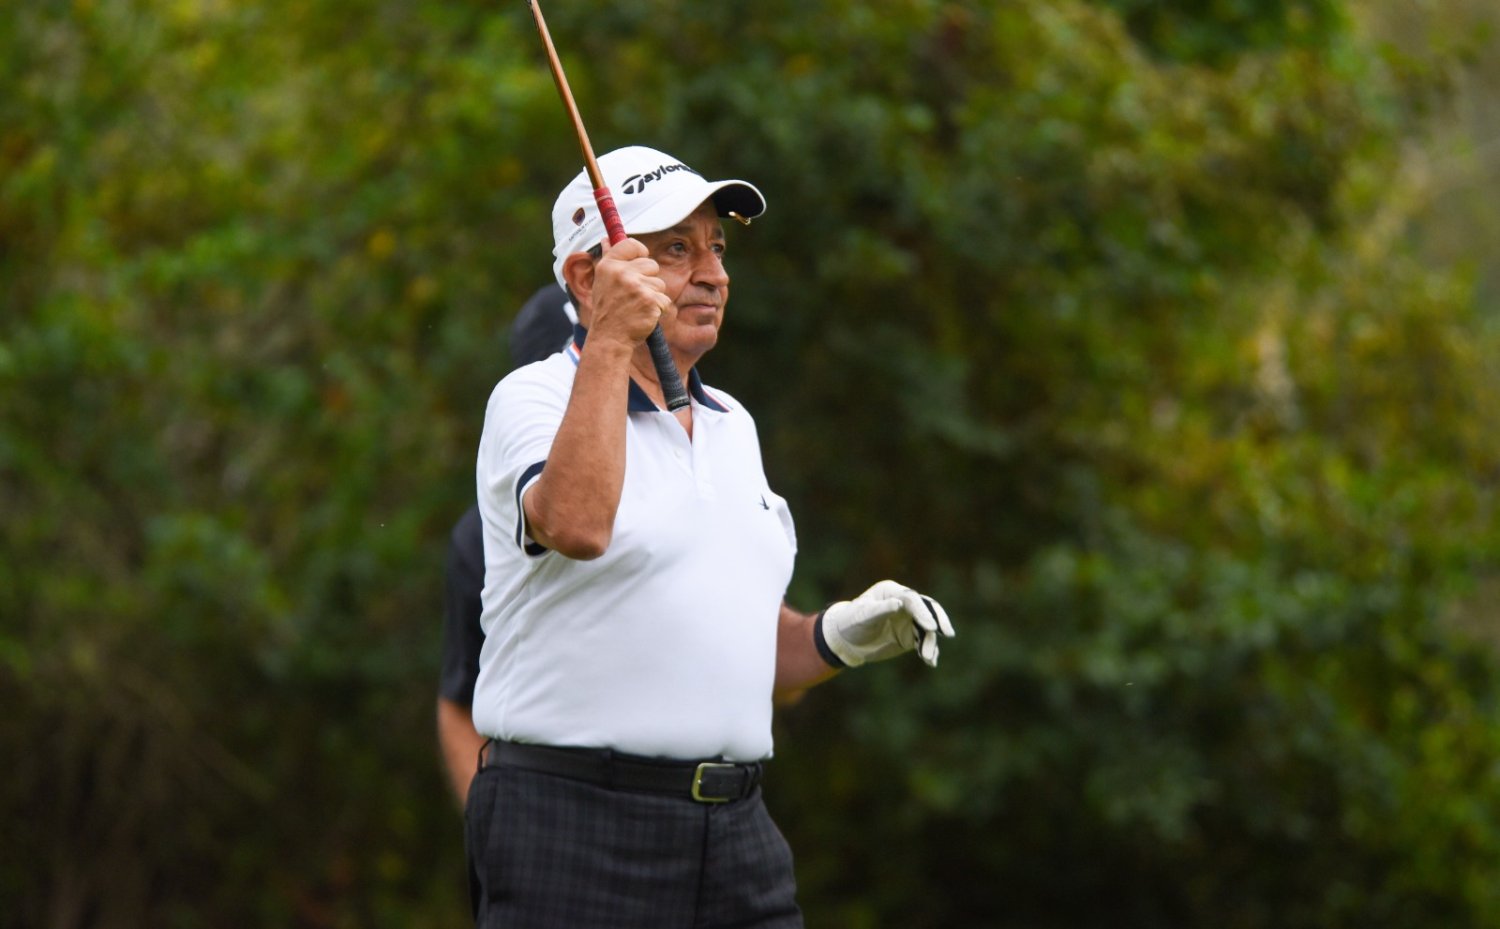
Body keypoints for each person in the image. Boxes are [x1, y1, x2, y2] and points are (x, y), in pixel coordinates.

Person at [466, 145, 956, 928]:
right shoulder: (533, 396)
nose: (713, 274)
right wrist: (610, 341)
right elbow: (577, 525)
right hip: (574, 821)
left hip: (736, 833)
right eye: (674, 250)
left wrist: (837, 635)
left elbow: (740, 645)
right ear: (589, 279)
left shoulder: (735, 426)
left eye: (716, 248)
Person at [437, 283, 574, 806]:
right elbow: (459, 702)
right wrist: (491, 825)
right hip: (549, 805)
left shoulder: (693, 470)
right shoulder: (479, 536)